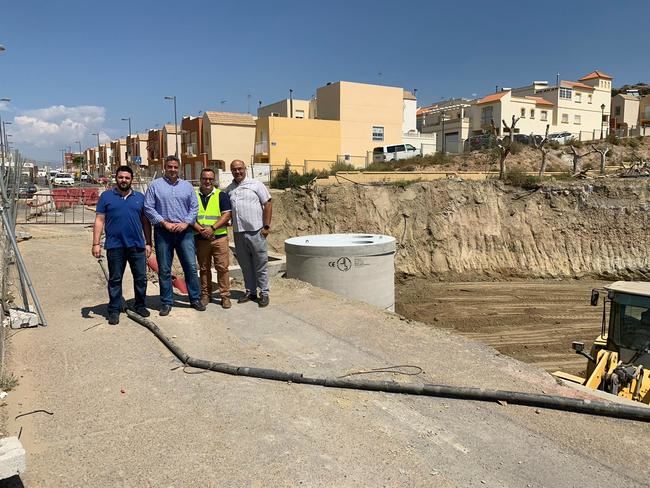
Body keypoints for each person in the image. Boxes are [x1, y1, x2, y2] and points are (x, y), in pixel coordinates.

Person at [144, 155, 204, 315]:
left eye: (175, 167)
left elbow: (194, 207)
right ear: (164, 167)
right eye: (169, 167)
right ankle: (166, 302)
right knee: (164, 269)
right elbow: (149, 208)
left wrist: (186, 223)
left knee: (190, 267)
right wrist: (164, 223)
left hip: (185, 232)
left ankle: (195, 298)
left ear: (179, 168)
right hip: (163, 232)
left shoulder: (187, 186)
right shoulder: (155, 186)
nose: (172, 170)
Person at [92, 165, 152, 325]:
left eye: (127, 178)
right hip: (115, 246)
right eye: (121, 177)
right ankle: (113, 309)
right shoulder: (106, 197)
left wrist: (148, 243)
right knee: (115, 279)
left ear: (131, 180)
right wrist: (96, 243)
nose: (123, 180)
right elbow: (99, 220)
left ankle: (140, 305)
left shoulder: (140, 197)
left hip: (137, 246)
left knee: (140, 278)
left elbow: (146, 223)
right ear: (116, 178)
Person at [226, 160, 272, 307]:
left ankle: (264, 292)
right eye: (234, 169)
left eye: (240, 168)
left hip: (256, 231)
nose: (237, 172)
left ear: (245, 169)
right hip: (239, 233)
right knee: (245, 265)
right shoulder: (229, 189)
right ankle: (250, 291)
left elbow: (268, 204)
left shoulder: (256, 184)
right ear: (231, 171)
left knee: (260, 264)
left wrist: (266, 226)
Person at [192, 167, 232, 309]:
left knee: (222, 268)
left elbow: (226, 215)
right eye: (204, 178)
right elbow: (190, 217)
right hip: (201, 238)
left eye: (210, 179)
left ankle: (225, 296)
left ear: (213, 180)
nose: (207, 181)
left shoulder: (221, 195)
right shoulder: (193, 195)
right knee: (203, 268)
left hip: (219, 237)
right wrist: (201, 230)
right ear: (200, 179)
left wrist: (212, 229)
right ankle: (205, 295)